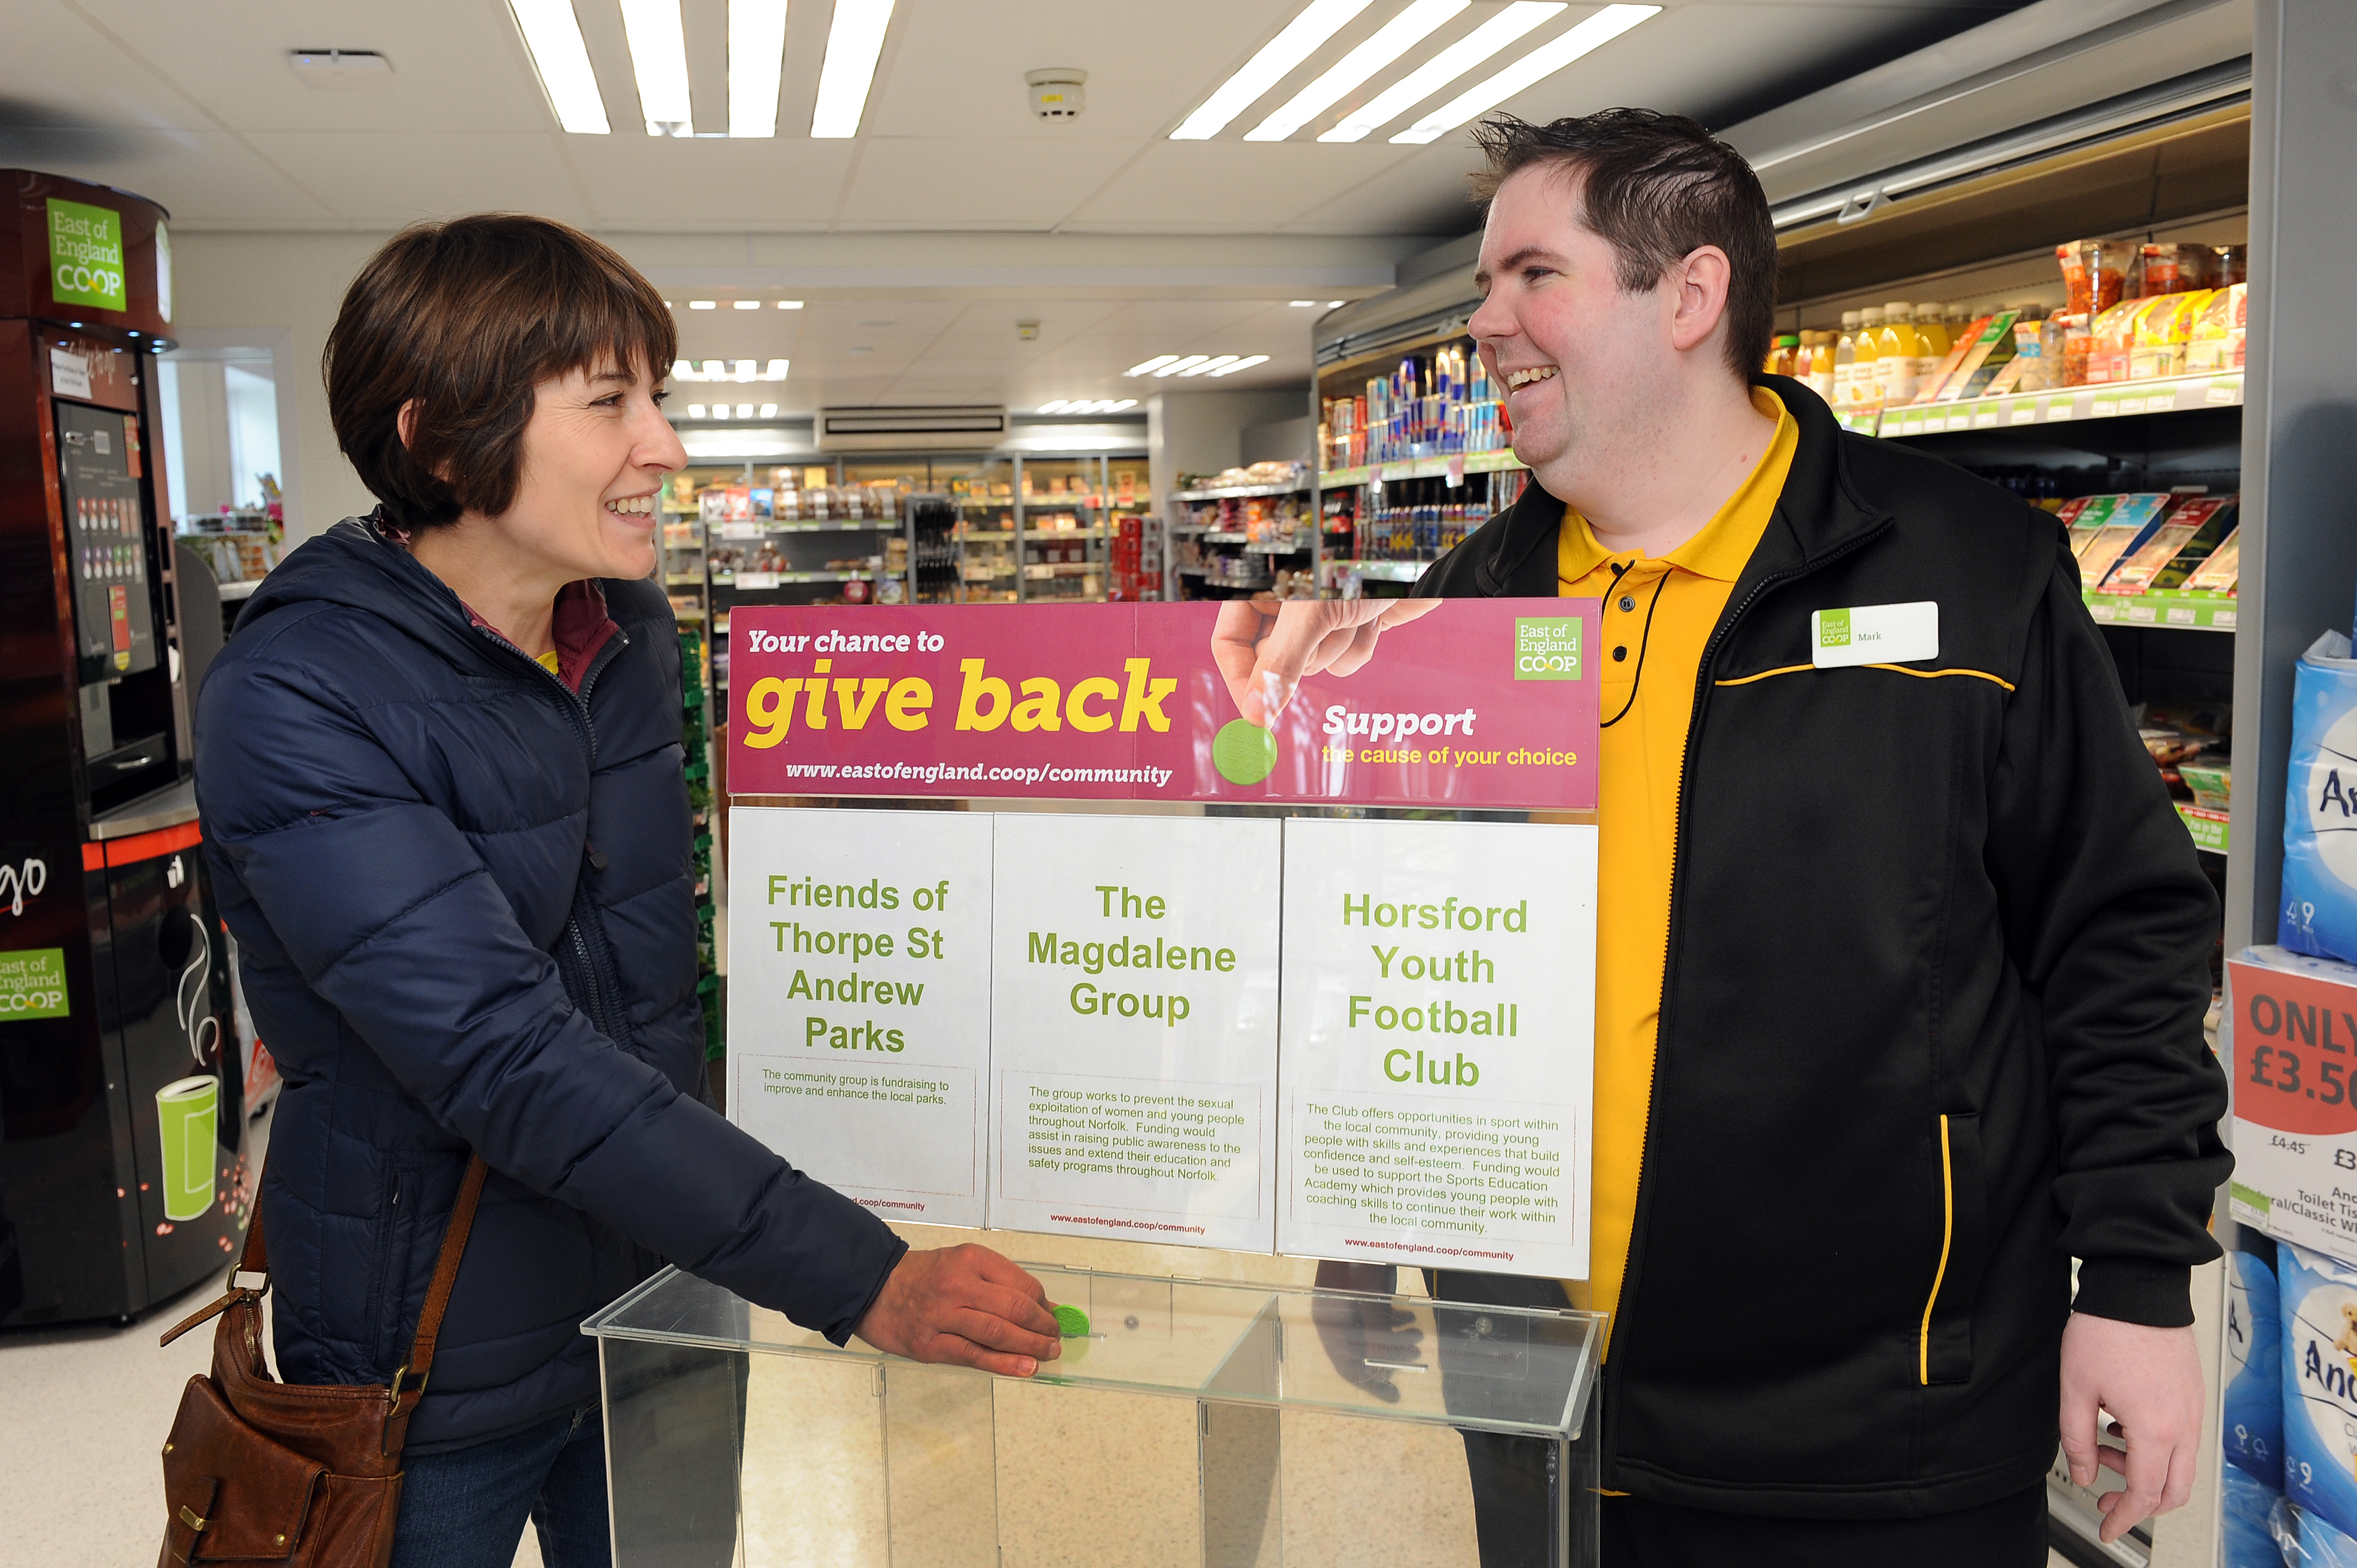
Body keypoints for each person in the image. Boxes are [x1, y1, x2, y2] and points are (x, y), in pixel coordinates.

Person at [1234, 110, 2229, 1565]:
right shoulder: (1463, 609)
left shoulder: (1966, 574)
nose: (1486, 323)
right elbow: (1406, 944)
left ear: (1689, 296)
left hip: (1884, 1417)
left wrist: (2135, 1282)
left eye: (1531, 276)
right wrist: (1368, 1208)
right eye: (1483, 287)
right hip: (1541, 1391)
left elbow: (2119, 936)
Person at [194, 214, 1061, 1568]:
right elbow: (505, 1053)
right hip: (428, 1365)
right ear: (439, 439)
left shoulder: (629, 626)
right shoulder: (296, 693)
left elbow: (651, 969)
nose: (664, 445)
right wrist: (862, 1275)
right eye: (611, 404)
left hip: (662, 1303)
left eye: (655, 397)